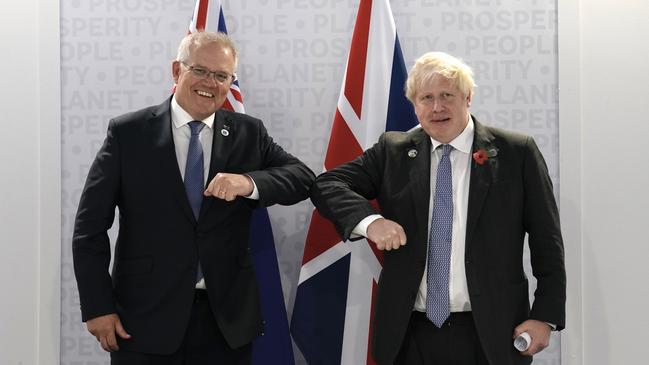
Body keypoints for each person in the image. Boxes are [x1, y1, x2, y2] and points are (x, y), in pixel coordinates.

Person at [72, 31, 315, 364]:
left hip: (226, 324)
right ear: (177, 71)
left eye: (221, 76)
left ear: (231, 81)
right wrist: (97, 307)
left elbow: (302, 179)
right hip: (143, 320)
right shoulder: (128, 133)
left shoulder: (248, 133)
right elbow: (89, 229)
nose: (210, 83)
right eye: (200, 70)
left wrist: (247, 182)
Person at [310, 52, 565, 365]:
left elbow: (547, 241)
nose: (436, 107)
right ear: (414, 104)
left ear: (467, 97)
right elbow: (326, 185)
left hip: (492, 332)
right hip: (409, 334)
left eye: (447, 95)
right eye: (426, 98)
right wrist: (370, 221)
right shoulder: (394, 151)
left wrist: (545, 317)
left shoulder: (516, 152)